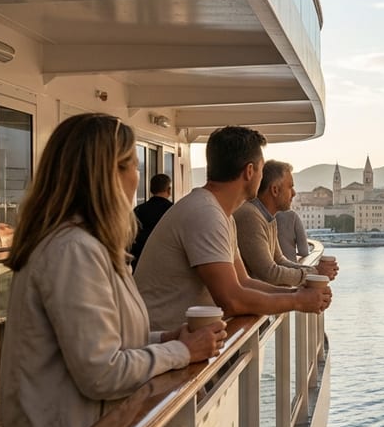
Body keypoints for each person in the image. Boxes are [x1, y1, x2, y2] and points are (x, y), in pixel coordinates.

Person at [0, 113, 226, 427]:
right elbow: (102, 372)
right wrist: (183, 352)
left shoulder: (84, 246)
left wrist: (167, 338)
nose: (137, 177)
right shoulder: (73, 251)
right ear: (108, 174)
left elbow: (104, 343)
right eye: (133, 165)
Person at [134, 126, 329, 331]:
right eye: (262, 170)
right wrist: (298, 302)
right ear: (250, 171)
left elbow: (243, 282)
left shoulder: (221, 215)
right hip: (159, 345)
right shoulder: (205, 214)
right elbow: (231, 300)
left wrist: (297, 293)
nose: (262, 178)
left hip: (182, 341)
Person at [235, 161, 338, 286]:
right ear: (275, 190)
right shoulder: (249, 216)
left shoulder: (268, 217)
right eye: (290, 187)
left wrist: (314, 271)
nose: (294, 193)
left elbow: (279, 260)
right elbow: (269, 272)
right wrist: (314, 274)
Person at [129, 173, 173, 270]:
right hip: (165, 263)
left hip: (139, 263)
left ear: (151, 189)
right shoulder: (173, 211)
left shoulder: (138, 210)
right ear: (169, 190)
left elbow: (130, 237)